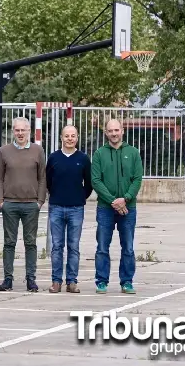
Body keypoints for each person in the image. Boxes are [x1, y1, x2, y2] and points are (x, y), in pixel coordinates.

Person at [91, 118, 143, 295]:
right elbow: (96, 181)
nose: (114, 134)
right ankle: (101, 282)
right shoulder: (99, 154)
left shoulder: (133, 153)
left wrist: (126, 199)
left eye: (116, 130)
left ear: (122, 131)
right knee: (102, 247)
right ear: (106, 133)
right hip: (105, 208)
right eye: (110, 131)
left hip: (128, 209)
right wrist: (113, 201)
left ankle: (127, 282)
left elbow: (137, 179)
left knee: (128, 247)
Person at [0, 116, 46, 293]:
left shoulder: (38, 150)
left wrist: (40, 201)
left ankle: (31, 278)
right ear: (13, 131)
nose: (20, 133)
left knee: (30, 243)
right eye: (17, 130)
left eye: (23, 130)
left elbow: (42, 177)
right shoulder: (4, 151)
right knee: (9, 242)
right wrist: (1, 201)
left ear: (29, 131)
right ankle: (8, 279)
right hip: (10, 204)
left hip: (31, 205)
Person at [46, 124, 93, 293]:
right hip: (56, 207)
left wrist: (80, 197)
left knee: (73, 246)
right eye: (67, 136)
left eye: (73, 136)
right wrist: (57, 195)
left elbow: (89, 184)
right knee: (57, 246)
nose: (70, 139)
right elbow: (48, 181)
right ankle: (56, 281)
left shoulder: (83, 159)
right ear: (61, 137)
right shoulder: (53, 158)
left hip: (76, 209)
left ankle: (72, 281)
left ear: (77, 138)